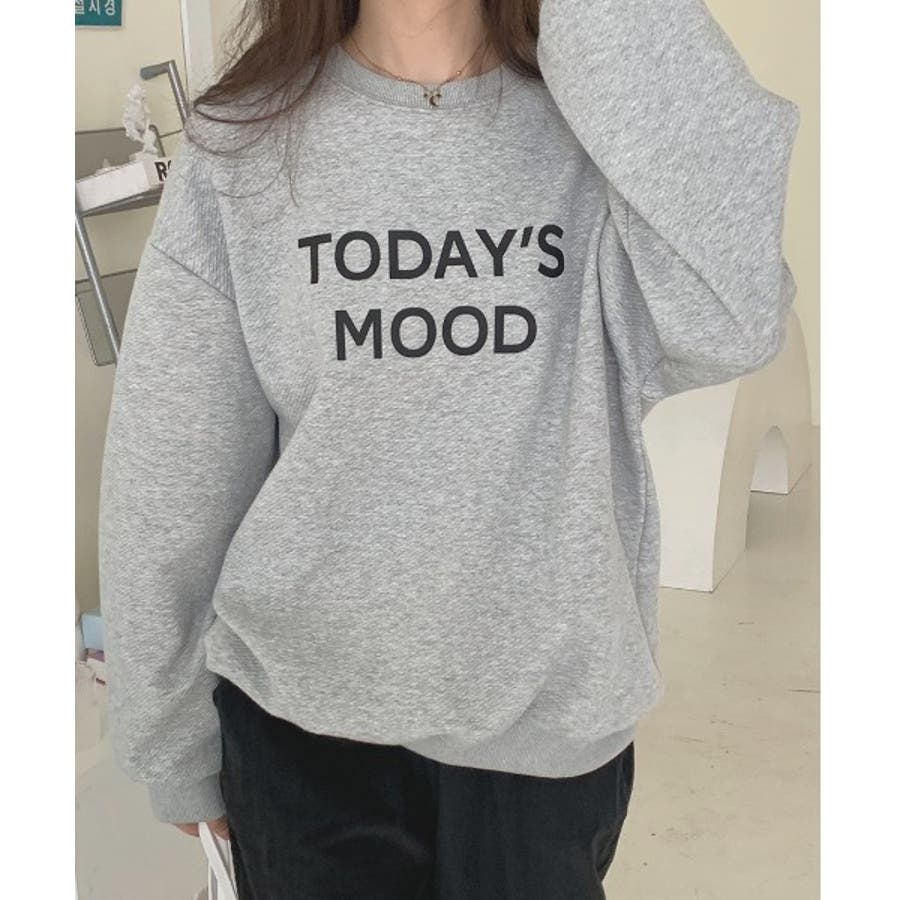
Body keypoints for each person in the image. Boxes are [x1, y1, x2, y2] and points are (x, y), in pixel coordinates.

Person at [97, 0, 800, 897]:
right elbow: (171, 475)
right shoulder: (240, 144)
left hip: (545, 733)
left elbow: (734, 320)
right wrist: (170, 739)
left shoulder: (603, 131)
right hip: (302, 734)